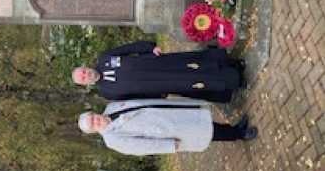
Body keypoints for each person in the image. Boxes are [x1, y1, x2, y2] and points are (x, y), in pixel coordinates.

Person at [72, 40, 245, 103]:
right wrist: (157, 96)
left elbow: (130, 48)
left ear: (86, 67)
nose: (87, 75)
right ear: (86, 84)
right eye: (84, 78)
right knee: (194, 84)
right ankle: (231, 83)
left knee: (194, 63)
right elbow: (134, 98)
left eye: (84, 71)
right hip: (161, 84)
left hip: (160, 63)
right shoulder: (107, 93)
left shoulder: (105, 58)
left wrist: (150, 47)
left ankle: (232, 64)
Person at [78, 97, 258, 155]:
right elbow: (140, 147)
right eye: (93, 124)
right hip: (165, 130)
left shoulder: (111, 107)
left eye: (93, 117)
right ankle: (239, 134)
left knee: (202, 122)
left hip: (166, 113)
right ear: (94, 131)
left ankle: (234, 128)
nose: (96, 121)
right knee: (204, 132)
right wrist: (169, 146)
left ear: (94, 113)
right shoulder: (112, 139)